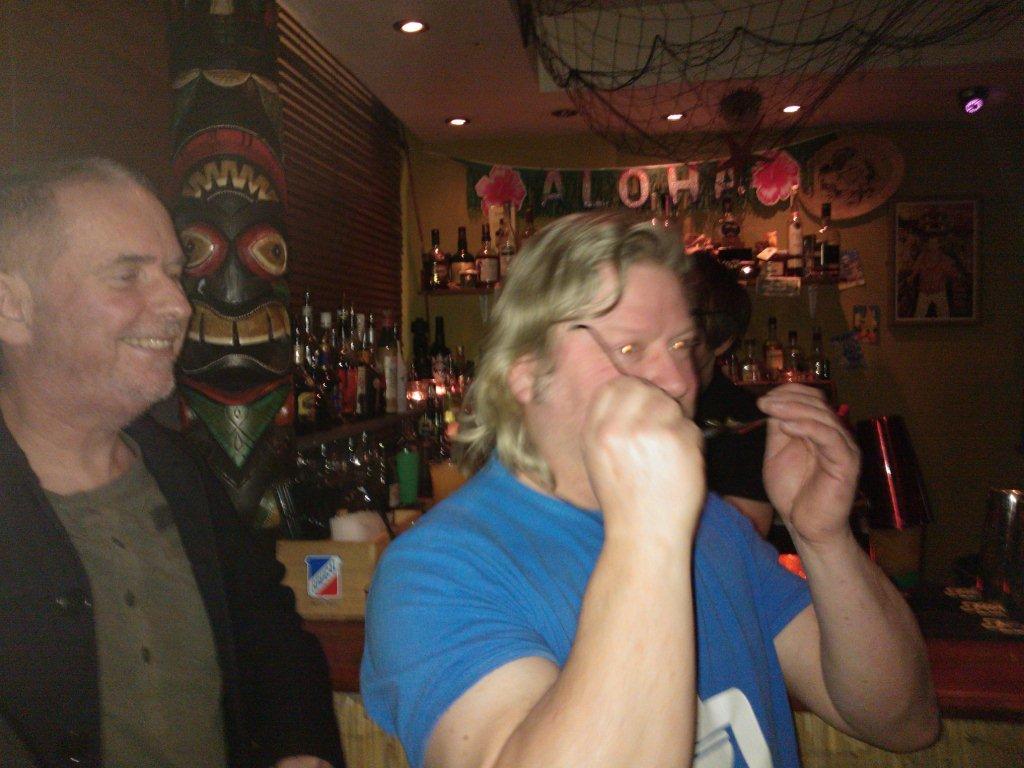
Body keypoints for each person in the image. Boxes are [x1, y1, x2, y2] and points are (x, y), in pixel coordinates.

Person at [360, 211, 939, 768]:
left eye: (683, 346)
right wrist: (650, 530)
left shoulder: (712, 525)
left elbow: (903, 723)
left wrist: (822, 537)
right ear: (527, 372)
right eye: (631, 348)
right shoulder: (436, 569)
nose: (678, 381)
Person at [0, 158, 342, 768]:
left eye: (174, 275)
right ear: (12, 307)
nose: (178, 306)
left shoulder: (178, 472)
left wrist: (299, 750)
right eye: (126, 276)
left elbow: (270, 636)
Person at [690, 250, 774, 536]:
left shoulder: (746, 421)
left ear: (723, 340)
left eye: (685, 335)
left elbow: (746, 539)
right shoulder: (630, 401)